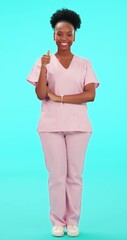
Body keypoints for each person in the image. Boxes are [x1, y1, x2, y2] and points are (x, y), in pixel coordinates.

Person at [26, 8, 100, 237]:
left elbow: (90, 95)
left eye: (69, 33)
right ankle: (58, 221)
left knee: (74, 175)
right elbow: (40, 94)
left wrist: (59, 98)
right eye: (60, 34)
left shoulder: (85, 63)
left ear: (75, 35)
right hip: (50, 126)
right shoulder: (43, 61)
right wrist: (44, 69)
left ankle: (73, 221)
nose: (64, 38)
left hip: (79, 126)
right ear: (53, 36)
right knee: (57, 175)